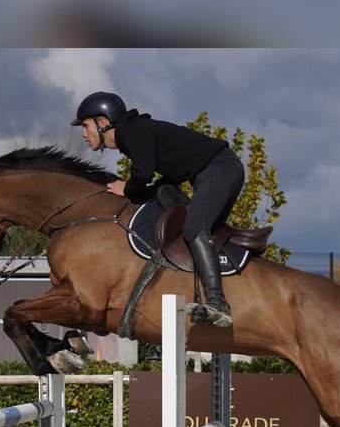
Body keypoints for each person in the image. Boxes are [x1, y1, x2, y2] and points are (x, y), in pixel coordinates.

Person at [71, 91, 241, 327]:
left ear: (102, 122)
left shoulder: (134, 132)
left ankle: (217, 303)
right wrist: (139, 191)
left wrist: (129, 190)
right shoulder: (136, 134)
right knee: (198, 233)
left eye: (85, 125)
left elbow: (142, 175)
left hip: (219, 170)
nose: (83, 133)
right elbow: (164, 181)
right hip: (217, 171)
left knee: (193, 228)